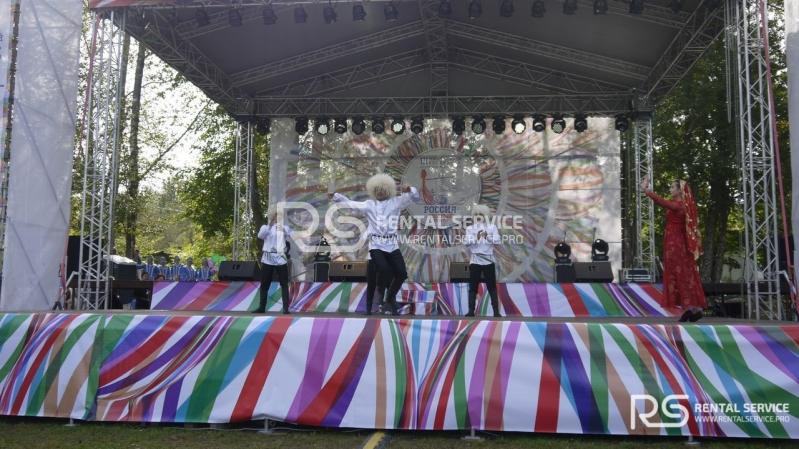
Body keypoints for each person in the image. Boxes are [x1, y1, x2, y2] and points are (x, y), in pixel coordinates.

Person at [332, 173, 419, 315]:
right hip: (376, 245)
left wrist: (410, 189)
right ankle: (381, 298)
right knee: (384, 269)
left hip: (392, 244)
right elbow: (350, 204)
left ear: (388, 190)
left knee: (402, 273)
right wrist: (336, 196)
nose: (380, 192)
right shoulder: (369, 205)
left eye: (382, 189)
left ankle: (389, 298)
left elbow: (415, 198)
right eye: (377, 189)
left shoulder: (397, 202)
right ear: (373, 191)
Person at [642, 178, 706, 322]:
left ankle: (692, 308)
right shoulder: (685, 206)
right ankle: (692, 309)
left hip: (675, 244)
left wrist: (646, 190)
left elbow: (661, 201)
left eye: (672, 187)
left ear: (679, 190)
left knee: (679, 275)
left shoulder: (679, 206)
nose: (670, 189)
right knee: (683, 274)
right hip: (677, 243)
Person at [464, 204, 502, 318]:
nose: (478, 216)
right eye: (476, 214)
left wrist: (487, 237)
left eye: (480, 214)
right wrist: (476, 238)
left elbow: (498, 241)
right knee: (473, 286)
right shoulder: (470, 228)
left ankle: (496, 312)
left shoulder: (492, 227)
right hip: (475, 260)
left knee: (491, 286)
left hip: (488, 260)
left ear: (485, 215)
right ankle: (471, 311)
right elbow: (466, 243)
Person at [253, 205, 293, 314]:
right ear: (271, 216)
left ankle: (285, 308)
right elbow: (261, 236)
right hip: (267, 258)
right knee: (265, 284)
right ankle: (262, 307)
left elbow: (292, 235)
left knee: (284, 283)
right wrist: (270, 225)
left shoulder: (284, 227)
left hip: (280, 258)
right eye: (275, 215)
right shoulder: (265, 227)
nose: (276, 217)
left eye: (278, 215)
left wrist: (284, 230)